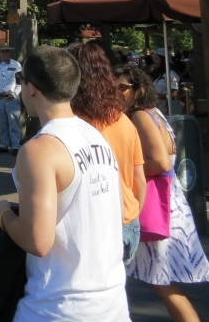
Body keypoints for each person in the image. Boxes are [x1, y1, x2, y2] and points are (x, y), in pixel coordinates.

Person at [0, 46, 129, 321]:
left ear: (31, 88)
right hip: (112, 302)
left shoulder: (39, 149)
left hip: (58, 305)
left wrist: (1, 214)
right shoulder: (96, 136)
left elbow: (37, 240)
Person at [118, 65, 209, 322]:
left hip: (158, 203)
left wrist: (126, 169)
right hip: (169, 202)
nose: (117, 92)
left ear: (138, 89)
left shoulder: (139, 115)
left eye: (123, 87)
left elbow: (160, 162)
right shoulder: (154, 112)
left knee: (164, 284)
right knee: (163, 282)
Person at [71, 43, 146, 266]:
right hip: (127, 221)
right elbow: (139, 181)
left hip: (95, 223)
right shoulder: (124, 120)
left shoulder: (75, 123)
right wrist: (131, 216)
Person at [0, 43, 23, 155]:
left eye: (7, 51)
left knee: (14, 123)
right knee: (2, 122)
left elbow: (20, 81)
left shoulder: (16, 64)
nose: (5, 53)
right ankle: (3, 145)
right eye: (2, 51)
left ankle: (16, 146)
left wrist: (15, 93)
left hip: (11, 97)